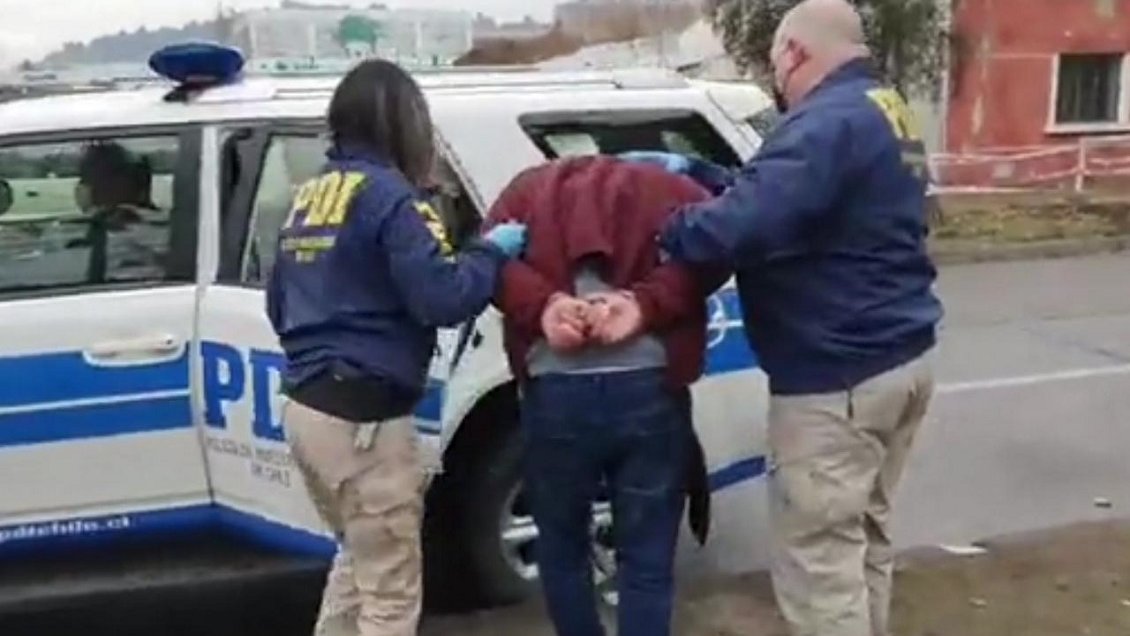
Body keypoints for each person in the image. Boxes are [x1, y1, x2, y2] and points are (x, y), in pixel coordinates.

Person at [635, 1, 944, 634]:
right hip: (900, 358)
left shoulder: (825, 121)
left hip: (838, 380)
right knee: (862, 541)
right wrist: (707, 175)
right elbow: (801, 194)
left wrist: (669, 225)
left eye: (776, 65)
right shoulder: (884, 108)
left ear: (795, 53)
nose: (777, 82)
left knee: (819, 567)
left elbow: (743, 224)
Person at [265, 59, 526, 636]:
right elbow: (443, 297)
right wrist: (490, 252)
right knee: (390, 596)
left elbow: (277, 303)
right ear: (402, 121)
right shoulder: (393, 199)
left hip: (308, 410)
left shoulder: (311, 196)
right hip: (365, 421)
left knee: (357, 565)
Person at [483, 155, 726, 636]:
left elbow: (488, 263)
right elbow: (720, 248)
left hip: (555, 390)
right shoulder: (666, 186)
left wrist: (546, 307)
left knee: (562, 547)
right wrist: (646, 302)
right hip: (649, 387)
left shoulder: (526, 191)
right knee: (647, 555)